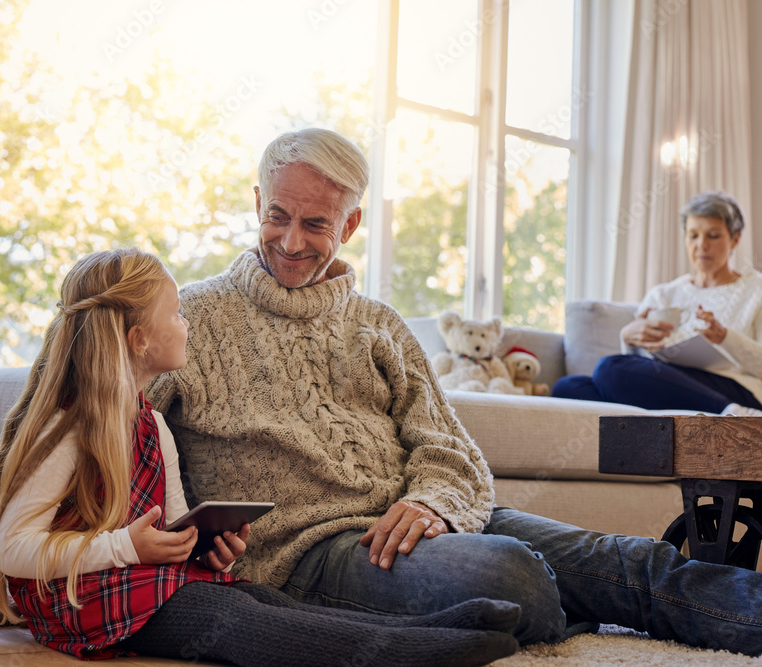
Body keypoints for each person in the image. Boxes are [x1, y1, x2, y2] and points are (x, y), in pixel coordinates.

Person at [145, 128, 762, 655]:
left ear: (351, 223)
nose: (291, 241)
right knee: (512, 573)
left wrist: (434, 505)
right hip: (312, 552)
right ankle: (551, 611)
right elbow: (112, 429)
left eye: (315, 224)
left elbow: (450, 447)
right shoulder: (192, 319)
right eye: (277, 216)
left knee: (629, 558)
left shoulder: (378, 324)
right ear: (257, 202)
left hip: (425, 523)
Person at [0, 247, 522, 666]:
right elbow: (15, 548)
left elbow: (171, 529)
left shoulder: (151, 425)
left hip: (141, 577)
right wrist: (127, 546)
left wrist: (202, 546)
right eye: (176, 313)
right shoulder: (70, 424)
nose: (188, 322)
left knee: (252, 594)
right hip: (82, 598)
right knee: (235, 623)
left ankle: (439, 625)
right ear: (137, 339)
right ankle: (422, 652)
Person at [552, 191, 762, 416]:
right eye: (693, 236)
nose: (701, 245)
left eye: (713, 236)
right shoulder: (663, 294)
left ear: (735, 239)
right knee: (567, 386)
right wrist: (629, 339)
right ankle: (674, 421)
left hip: (735, 388)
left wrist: (725, 338)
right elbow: (639, 365)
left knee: (609, 369)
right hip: (668, 382)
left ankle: (734, 413)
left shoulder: (756, 290)